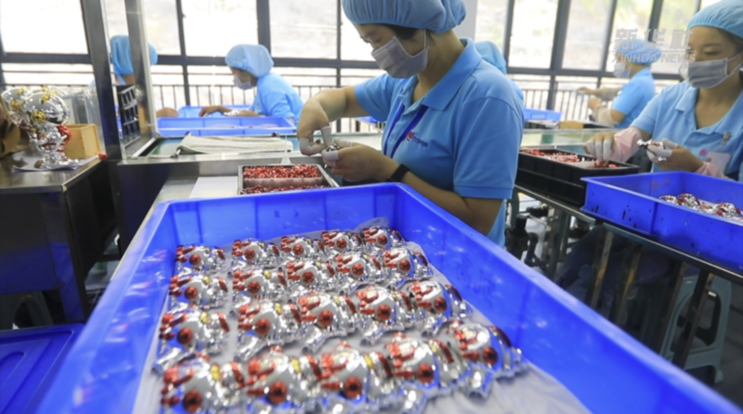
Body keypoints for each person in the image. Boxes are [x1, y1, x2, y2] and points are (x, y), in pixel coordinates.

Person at [558, 0, 743, 313]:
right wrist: (607, 144)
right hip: (647, 217)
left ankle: (586, 336)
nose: (696, 61)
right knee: (581, 255)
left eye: (710, 52)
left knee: (609, 275)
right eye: (689, 52)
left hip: (703, 238)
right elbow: (630, 138)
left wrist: (696, 169)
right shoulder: (671, 97)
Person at [297, 0, 523, 247]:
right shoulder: (408, 81)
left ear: (417, 24)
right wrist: (316, 105)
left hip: (458, 255)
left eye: (376, 40)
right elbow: (345, 99)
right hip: (411, 244)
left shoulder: (487, 97)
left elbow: (478, 220)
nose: (376, 53)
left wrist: (385, 170)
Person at [198, 45, 304, 125]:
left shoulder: (269, 87)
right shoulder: (264, 83)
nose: (234, 79)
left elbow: (288, 122)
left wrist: (254, 117)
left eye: (234, 73)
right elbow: (246, 113)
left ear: (247, 71)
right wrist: (220, 108)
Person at [579, 40, 661, 129]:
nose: (617, 64)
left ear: (631, 59)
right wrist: (592, 91)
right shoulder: (645, 80)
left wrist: (596, 106)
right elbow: (618, 91)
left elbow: (614, 118)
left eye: (619, 60)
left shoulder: (637, 84)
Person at [108, 35, 178, 118]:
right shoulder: (109, 89)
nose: (146, 74)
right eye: (144, 67)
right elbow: (118, 120)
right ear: (129, 63)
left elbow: (132, 113)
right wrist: (154, 116)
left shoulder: (124, 85)